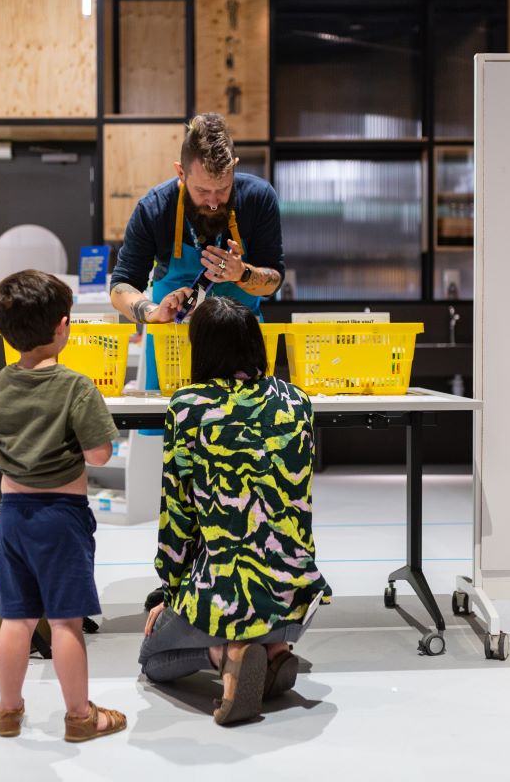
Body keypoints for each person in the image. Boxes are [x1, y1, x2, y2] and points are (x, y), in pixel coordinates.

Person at [138, 297, 330, 726]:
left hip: (224, 594)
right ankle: (275, 649)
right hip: (294, 590)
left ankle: (227, 653)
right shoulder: (297, 401)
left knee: (152, 658)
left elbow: (177, 514)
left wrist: (169, 592)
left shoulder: (188, 406)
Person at [0, 269, 127, 743]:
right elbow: (100, 454)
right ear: (62, 326)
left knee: (16, 618)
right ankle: (80, 716)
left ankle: (8, 712)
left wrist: (18, 458)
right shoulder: (76, 387)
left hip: (14, 518)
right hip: (63, 518)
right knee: (65, 621)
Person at [109, 111, 285, 390]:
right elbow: (121, 286)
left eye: (223, 190)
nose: (213, 202)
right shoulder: (154, 209)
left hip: (242, 349)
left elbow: (274, 281)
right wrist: (154, 312)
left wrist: (242, 273)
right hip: (175, 351)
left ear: (234, 168)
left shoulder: (259, 198)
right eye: (203, 191)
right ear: (180, 172)